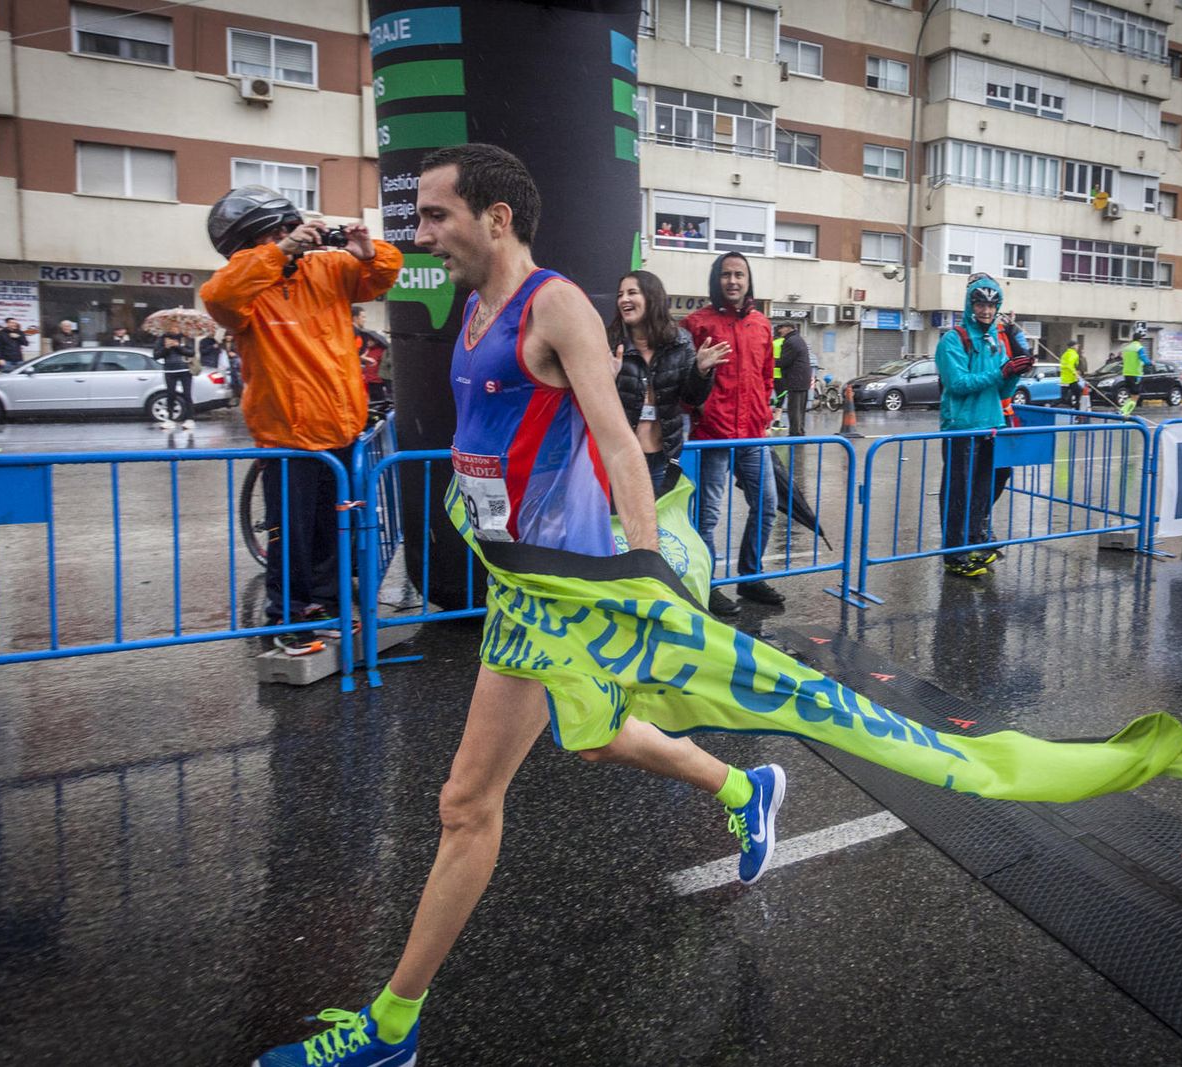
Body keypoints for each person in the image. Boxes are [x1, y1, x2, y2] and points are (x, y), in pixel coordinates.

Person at [252, 141, 788, 1067]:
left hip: (563, 587)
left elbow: (622, 447)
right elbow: (487, 439)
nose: (420, 233)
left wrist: (649, 577)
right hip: (518, 575)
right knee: (596, 733)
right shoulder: (473, 306)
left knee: (466, 800)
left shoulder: (558, 305)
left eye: (435, 215)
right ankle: (747, 787)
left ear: (496, 217)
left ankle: (391, 1028)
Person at [199, 186, 403, 633]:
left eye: (295, 228)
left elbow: (382, 275)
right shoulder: (247, 287)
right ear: (257, 240)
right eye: (284, 231)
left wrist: (368, 252)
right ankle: (289, 616)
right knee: (291, 535)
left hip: (342, 428)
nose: (297, 236)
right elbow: (219, 296)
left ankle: (329, 608)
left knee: (334, 530)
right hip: (289, 436)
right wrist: (280, 253)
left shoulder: (325, 268)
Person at [685, 251, 780, 614]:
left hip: (753, 434)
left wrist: (765, 409)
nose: (733, 281)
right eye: (726, 274)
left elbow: (767, 375)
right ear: (717, 279)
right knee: (706, 516)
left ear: (748, 279)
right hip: (713, 436)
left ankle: (750, 576)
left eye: (739, 274)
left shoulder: (761, 324)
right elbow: (686, 381)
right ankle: (705, 585)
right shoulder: (696, 324)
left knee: (767, 505)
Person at [934, 273, 1032, 579]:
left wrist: (1016, 370)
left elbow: (1002, 391)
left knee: (990, 483)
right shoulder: (953, 339)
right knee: (957, 492)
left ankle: (974, 538)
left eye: (992, 305)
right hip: (962, 428)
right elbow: (958, 383)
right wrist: (1001, 372)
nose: (986, 311)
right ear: (970, 304)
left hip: (992, 425)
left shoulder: (993, 341)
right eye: (980, 304)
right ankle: (954, 554)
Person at [609, 269, 723, 490]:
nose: (624, 299)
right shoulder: (610, 342)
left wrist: (701, 371)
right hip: (620, 459)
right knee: (620, 523)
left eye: (632, 292)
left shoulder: (680, 342)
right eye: (620, 294)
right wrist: (607, 380)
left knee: (654, 523)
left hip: (662, 458)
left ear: (652, 298)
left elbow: (692, 398)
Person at [775, 320, 812, 437]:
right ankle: (800, 430)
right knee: (800, 408)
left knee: (794, 408)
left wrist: (767, 362)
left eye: (781, 328)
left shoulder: (790, 341)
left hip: (795, 379)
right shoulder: (798, 339)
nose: (779, 331)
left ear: (788, 328)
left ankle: (795, 433)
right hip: (803, 378)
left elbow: (784, 361)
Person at [153, 330, 195, 431]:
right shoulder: (162, 338)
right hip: (170, 370)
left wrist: (178, 346)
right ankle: (170, 419)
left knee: (187, 395)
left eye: (176, 326)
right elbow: (156, 355)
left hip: (184, 369)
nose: (173, 328)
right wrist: (166, 348)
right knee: (170, 395)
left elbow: (191, 353)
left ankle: (190, 419)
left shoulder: (185, 337)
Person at [353, 306, 388, 407]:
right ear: (355, 318)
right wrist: (364, 358)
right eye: (363, 317)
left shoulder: (358, 333)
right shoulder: (355, 333)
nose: (365, 320)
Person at [1118, 324, 1151, 416]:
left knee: (1131, 394)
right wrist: (1150, 363)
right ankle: (1124, 412)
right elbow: (1144, 359)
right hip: (1136, 374)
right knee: (1135, 396)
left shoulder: (1126, 348)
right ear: (1140, 339)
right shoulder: (1139, 347)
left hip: (1126, 373)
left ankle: (1124, 411)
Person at [1059, 338, 1083, 408]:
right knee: (1079, 392)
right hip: (1071, 379)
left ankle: (1054, 406)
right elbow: (1070, 365)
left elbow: (1064, 365)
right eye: (1077, 345)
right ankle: (1077, 408)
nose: (1078, 347)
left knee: (1063, 397)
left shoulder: (1065, 354)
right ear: (1073, 346)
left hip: (1064, 378)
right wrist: (1075, 374)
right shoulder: (1073, 354)